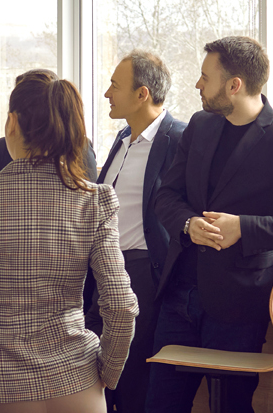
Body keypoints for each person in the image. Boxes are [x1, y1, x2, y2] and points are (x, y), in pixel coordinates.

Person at [148, 36, 273, 413]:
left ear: (234, 86)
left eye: (205, 77)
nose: (197, 85)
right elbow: (165, 196)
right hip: (177, 296)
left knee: (232, 407)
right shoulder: (200, 126)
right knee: (159, 406)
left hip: (236, 304)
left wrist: (244, 228)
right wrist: (188, 223)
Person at [0, 70, 138, 413]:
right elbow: (122, 306)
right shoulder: (95, 199)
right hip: (77, 380)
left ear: (12, 123)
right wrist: (105, 374)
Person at [89, 50, 188, 413]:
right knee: (100, 374)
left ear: (142, 93)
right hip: (103, 271)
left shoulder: (178, 139)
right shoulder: (120, 138)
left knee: (132, 380)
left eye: (115, 85)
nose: (107, 94)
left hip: (144, 274)